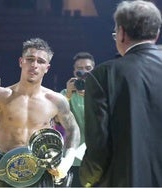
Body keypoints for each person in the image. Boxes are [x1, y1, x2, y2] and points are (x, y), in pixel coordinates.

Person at [0, 38, 80, 187]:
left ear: (47, 68)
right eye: (30, 59)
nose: (34, 65)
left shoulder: (55, 100)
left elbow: (73, 129)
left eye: (40, 61)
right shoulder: (1, 96)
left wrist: (67, 160)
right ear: (21, 62)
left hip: (40, 172)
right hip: (4, 172)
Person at [79, 1, 162, 187]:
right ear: (156, 34)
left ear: (122, 33)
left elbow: (99, 149)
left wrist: (85, 180)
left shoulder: (103, 75)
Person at [58, 52, 95, 187]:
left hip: (95, 158)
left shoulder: (102, 92)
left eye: (88, 68)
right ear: (74, 71)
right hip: (72, 157)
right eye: (79, 69)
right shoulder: (64, 94)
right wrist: (68, 95)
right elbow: (56, 120)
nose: (83, 71)